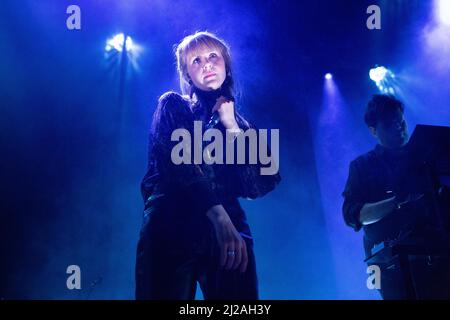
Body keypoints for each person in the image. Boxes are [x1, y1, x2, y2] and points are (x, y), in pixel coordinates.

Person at [135, 31, 281, 300]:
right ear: (188, 75)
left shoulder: (240, 124)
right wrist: (220, 218)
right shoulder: (173, 105)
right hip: (173, 222)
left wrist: (234, 127)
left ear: (226, 63)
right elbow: (180, 167)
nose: (207, 65)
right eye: (196, 61)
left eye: (213, 56)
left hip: (230, 229)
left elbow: (264, 182)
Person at [342, 94, 450, 299]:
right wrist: (399, 200)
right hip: (392, 267)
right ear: (373, 131)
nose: (399, 127)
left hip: (440, 254)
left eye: (401, 121)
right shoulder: (362, 166)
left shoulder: (428, 155)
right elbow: (353, 215)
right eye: (391, 124)